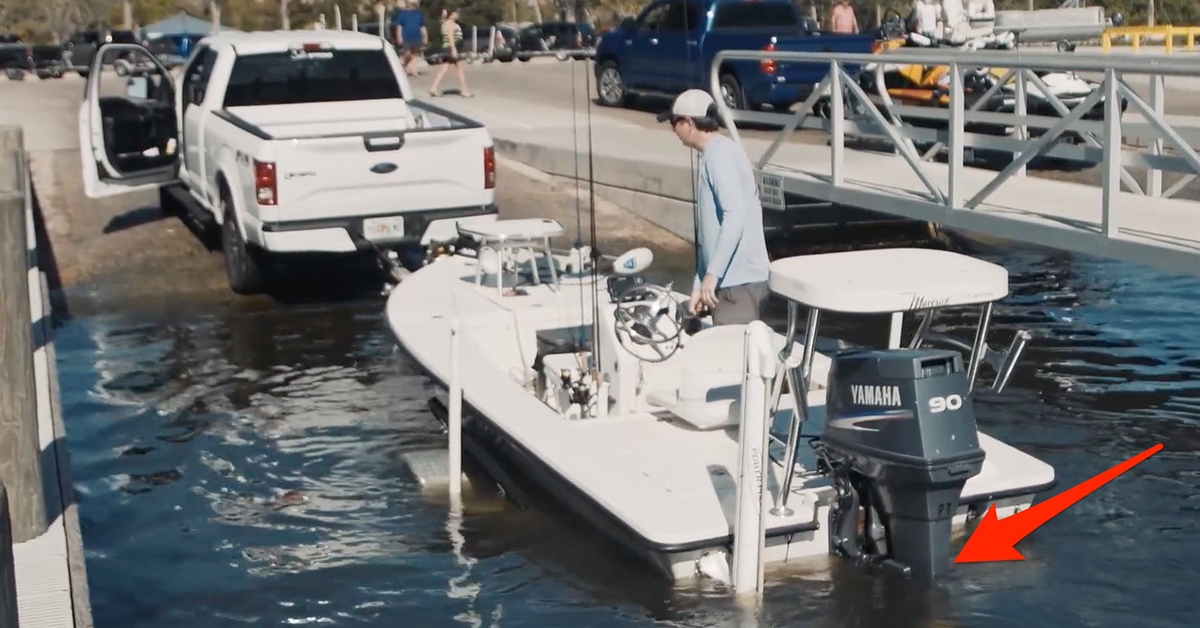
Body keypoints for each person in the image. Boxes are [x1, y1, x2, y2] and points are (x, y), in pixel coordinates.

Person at [656, 89, 771, 326]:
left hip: (739, 283)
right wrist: (701, 283)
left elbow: (735, 215)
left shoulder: (720, 156)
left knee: (733, 355)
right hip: (726, 283)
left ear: (688, 123)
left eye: (673, 122)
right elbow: (709, 233)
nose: (673, 131)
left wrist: (712, 275)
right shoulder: (714, 154)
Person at [428, 8, 473, 97]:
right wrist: (453, 49)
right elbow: (450, 36)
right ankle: (464, 90)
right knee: (459, 69)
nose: (457, 15)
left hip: (449, 48)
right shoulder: (450, 24)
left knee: (444, 69)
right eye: (456, 13)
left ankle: (433, 87)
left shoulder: (445, 24)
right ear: (451, 14)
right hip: (452, 48)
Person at [391, 0, 427, 76]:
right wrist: (399, 37)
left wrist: (425, 36)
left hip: (417, 36)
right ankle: (404, 65)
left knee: (414, 54)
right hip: (406, 37)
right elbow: (399, 27)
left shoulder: (418, 14)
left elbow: (422, 26)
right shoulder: (402, 15)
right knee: (408, 53)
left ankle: (414, 71)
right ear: (408, 5)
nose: (413, 6)